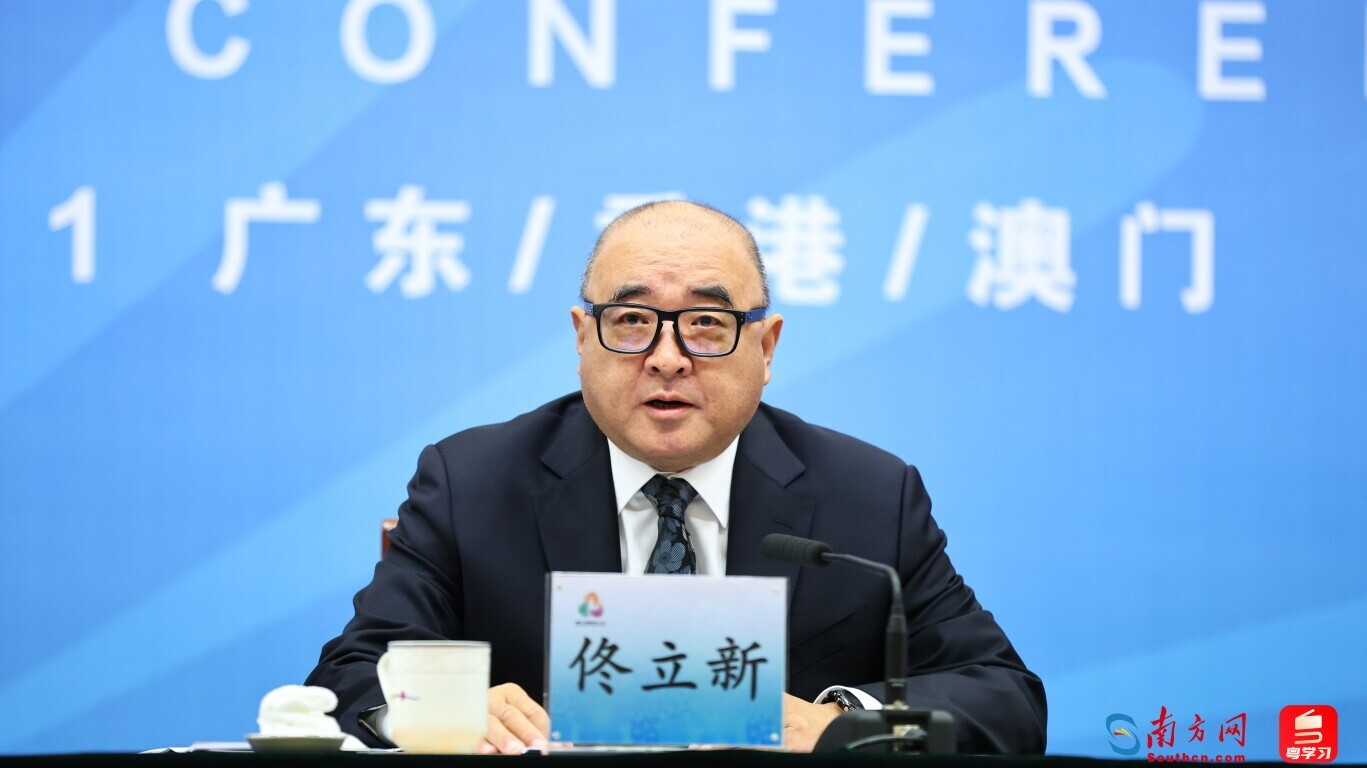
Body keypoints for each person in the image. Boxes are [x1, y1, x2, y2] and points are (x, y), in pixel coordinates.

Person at [306, 201, 1046, 754]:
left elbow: (1004, 698)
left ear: (766, 346)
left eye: (706, 324)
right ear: (581, 338)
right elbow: (348, 679)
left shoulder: (868, 496)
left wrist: (837, 723)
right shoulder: (472, 482)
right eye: (631, 320)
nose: (666, 358)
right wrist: (448, 710)